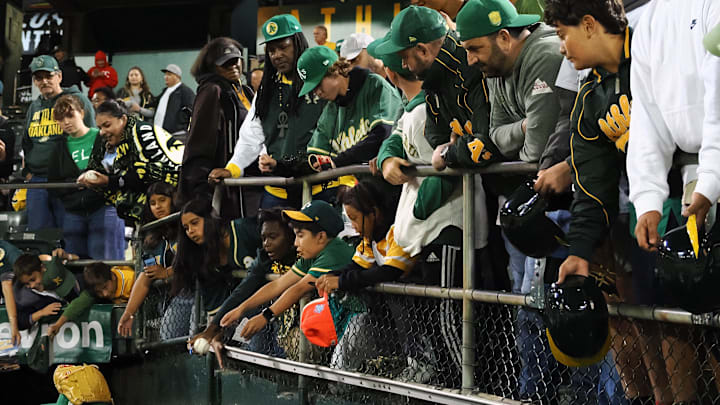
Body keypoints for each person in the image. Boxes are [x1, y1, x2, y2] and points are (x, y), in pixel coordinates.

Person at [626, 1, 720, 402]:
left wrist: (712, 179)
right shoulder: (650, 20)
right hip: (692, 178)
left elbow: (719, 102)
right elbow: (646, 118)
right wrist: (646, 198)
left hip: (709, 172)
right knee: (696, 311)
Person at [208, 14, 327, 209]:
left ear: (298, 43)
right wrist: (233, 169)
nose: (277, 55)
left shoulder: (320, 80)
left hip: (321, 184)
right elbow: (251, 135)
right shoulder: (266, 90)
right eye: (271, 50)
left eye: (283, 47)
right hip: (277, 188)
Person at [218, 201, 352, 349]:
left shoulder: (333, 253)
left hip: (361, 322)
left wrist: (265, 316)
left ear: (320, 237)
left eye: (300, 235)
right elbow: (278, 284)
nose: (295, 243)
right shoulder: (313, 253)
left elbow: (299, 288)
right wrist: (240, 309)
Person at [188, 207, 299, 363]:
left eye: (273, 237)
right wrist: (212, 330)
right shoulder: (264, 257)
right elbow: (242, 291)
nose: (267, 244)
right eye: (264, 238)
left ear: (292, 235)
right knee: (254, 344)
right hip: (276, 318)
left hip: (304, 322)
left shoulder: (305, 255)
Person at [178, 37, 254, 220]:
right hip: (224, 192)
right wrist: (200, 192)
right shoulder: (212, 90)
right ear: (212, 67)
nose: (233, 66)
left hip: (250, 185)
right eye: (225, 64)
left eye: (235, 60)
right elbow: (199, 143)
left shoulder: (246, 92)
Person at [296, 46, 401, 172]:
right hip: (355, 182)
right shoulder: (331, 109)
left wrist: (337, 162)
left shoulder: (375, 86)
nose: (316, 92)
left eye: (318, 84)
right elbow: (315, 156)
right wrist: (280, 166)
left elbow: (382, 135)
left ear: (334, 71)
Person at [78, 100, 184, 224]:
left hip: (177, 197)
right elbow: (96, 166)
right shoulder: (109, 139)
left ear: (123, 119)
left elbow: (154, 173)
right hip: (148, 206)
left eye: (107, 125)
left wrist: (110, 181)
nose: (102, 132)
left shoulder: (142, 132)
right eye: (100, 128)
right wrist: (88, 175)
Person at [48, 94, 125, 260]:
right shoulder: (58, 148)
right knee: (76, 265)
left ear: (81, 113)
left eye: (70, 115)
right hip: (73, 213)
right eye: (61, 119)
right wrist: (76, 183)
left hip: (104, 207)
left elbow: (118, 172)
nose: (66, 122)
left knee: (106, 263)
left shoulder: (103, 138)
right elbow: (53, 184)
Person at [24, 55, 95, 231]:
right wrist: (27, 172)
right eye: (39, 78)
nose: (44, 81)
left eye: (49, 76)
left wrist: (85, 172)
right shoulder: (34, 107)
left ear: (59, 76)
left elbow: (93, 137)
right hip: (38, 181)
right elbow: (26, 143)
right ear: (34, 81)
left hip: (68, 181)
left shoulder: (77, 100)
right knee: (39, 237)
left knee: (70, 236)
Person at [117, 182, 194, 339]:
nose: (158, 206)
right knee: (168, 337)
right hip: (172, 296)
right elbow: (146, 276)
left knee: (195, 336)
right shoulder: (150, 237)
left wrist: (166, 272)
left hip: (197, 290)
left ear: (173, 200)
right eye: (153, 203)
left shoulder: (187, 225)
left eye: (162, 200)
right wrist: (128, 312)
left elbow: (196, 261)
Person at [173, 199, 260, 321]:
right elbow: (217, 312)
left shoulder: (242, 229)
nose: (190, 231)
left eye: (195, 223)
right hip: (250, 310)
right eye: (186, 228)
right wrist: (214, 334)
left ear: (210, 219)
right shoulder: (204, 259)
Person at [153, 64, 195, 134]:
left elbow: (191, 111)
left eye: (169, 74)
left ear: (177, 76)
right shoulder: (165, 91)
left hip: (177, 134)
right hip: (160, 134)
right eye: (165, 75)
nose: (165, 77)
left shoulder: (185, 91)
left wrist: (179, 125)